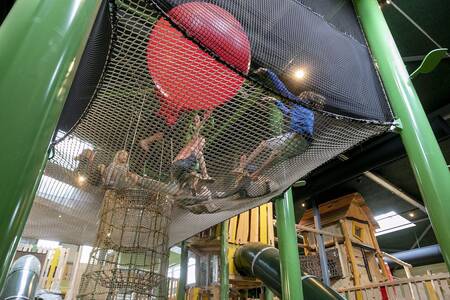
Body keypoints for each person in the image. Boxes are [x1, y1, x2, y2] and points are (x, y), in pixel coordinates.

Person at [234, 68, 326, 180]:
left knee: (264, 144)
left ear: (304, 98)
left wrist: (268, 72)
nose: (299, 96)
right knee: (275, 154)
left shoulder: (300, 102)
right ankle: (255, 174)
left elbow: (282, 90)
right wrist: (275, 101)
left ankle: (241, 167)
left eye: (301, 95)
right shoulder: (308, 111)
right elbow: (288, 112)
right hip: (304, 145)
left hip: (296, 136)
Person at [139, 111, 213, 195]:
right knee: (193, 166)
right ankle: (200, 180)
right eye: (195, 120)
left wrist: (203, 121)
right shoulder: (191, 141)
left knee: (193, 173)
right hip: (180, 160)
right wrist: (201, 121)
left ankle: (191, 190)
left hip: (184, 160)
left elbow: (197, 132)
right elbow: (196, 134)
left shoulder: (195, 147)